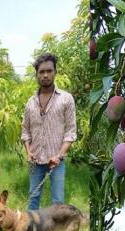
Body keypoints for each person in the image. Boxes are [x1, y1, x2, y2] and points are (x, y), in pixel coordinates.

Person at [21, 52, 77, 218]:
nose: (45, 75)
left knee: (58, 201)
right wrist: (28, 151)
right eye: (41, 72)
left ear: (55, 72)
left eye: (49, 71)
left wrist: (59, 156)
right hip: (35, 160)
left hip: (56, 161)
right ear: (36, 74)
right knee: (33, 197)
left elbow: (71, 132)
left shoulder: (66, 99)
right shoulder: (30, 103)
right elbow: (25, 130)